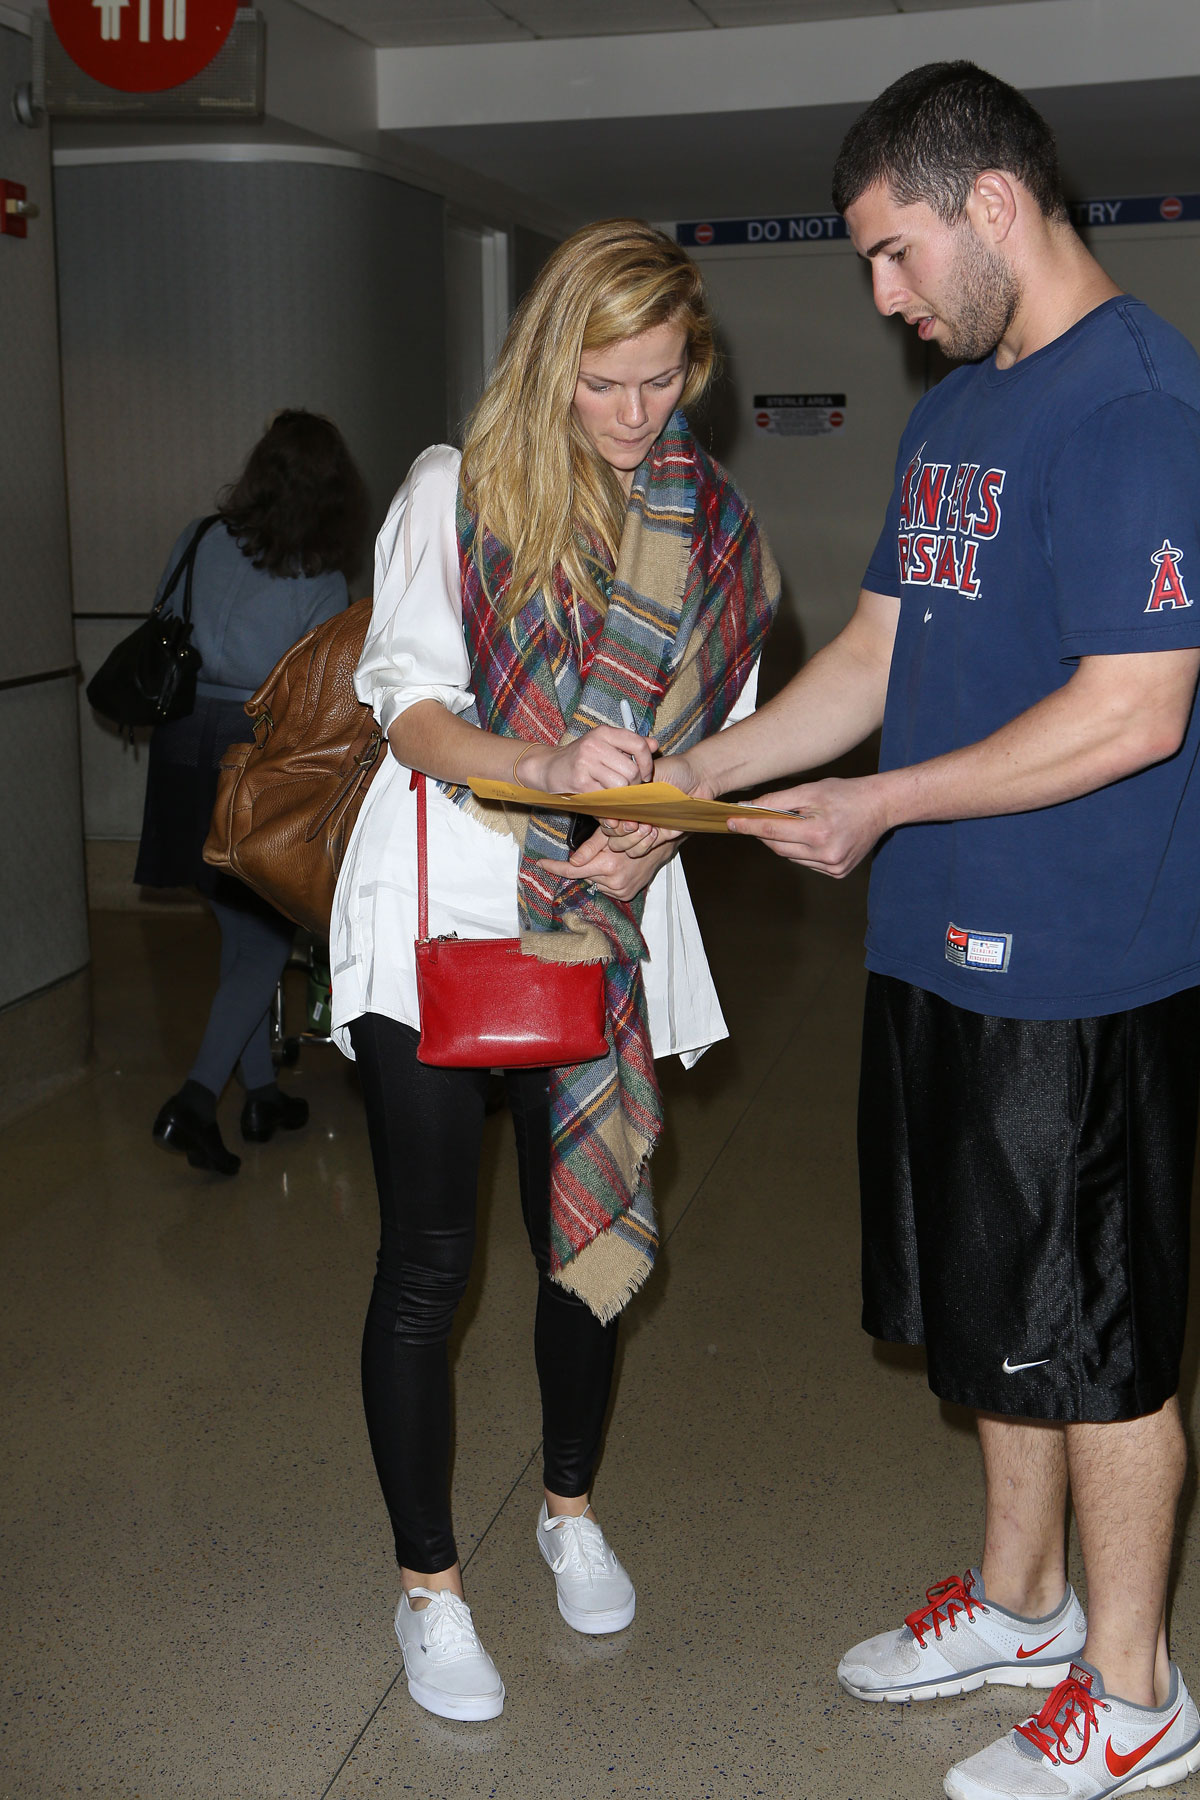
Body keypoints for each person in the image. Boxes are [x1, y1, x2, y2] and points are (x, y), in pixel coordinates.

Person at [627, 63, 1200, 1800]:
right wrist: (690, 778)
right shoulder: (956, 414)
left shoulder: (1140, 410)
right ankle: (1025, 1607)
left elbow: (1137, 711)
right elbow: (881, 649)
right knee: (998, 1309)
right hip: (939, 945)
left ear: (993, 208)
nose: (879, 294)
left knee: (1095, 1338)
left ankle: (1136, 1692)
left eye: (891, 254)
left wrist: (880, 804)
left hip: (1085, 968)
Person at [329, 219, 778, 1723]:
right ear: (546, 364)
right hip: (447, 914)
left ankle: (569, 1510)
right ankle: (430, 1588)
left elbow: (723, 738)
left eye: (663, 379)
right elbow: (409, 718)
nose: (638, 412)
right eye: (605, 382)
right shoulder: (456, 495)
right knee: (429, 1265)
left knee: (584, 1250)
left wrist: (650, 832)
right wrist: (546, 767)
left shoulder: (710, 524)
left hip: (606, 909)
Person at [139, 410, 367, 1176]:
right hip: (258, 757)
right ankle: (196, 1102)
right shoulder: (321, 575)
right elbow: (323, 693)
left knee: (239, 933)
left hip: (182, 748)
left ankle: (262, 1093)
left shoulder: (203, 538)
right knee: (266, 938)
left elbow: (166, 619)